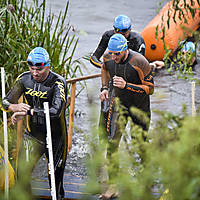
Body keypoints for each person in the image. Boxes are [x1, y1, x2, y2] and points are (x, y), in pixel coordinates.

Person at [1, 47, 68, 200]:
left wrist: (28, 111)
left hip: (56, 138)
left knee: (55, 180)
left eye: (40, 69)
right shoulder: (24, 79)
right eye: (32, 68)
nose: (35, 73)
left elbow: (55, 112)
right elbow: (4, 102)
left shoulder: (58, 83)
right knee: (21, 174)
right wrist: (13, 107)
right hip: (32, 136)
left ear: (48, 66)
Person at [99, 34, 154, 200]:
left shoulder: (139, 61)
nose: (114, 57)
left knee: (140, 144)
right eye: (112, 53)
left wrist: (126, 85)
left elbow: (150, 89)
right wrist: (104, 88)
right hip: (119, 105)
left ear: (125, 50)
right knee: (112, 144)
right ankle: (113, 186)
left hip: (139, 107)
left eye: (117, 54)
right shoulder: (108, 57)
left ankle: (146, 178)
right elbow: (104, 69)